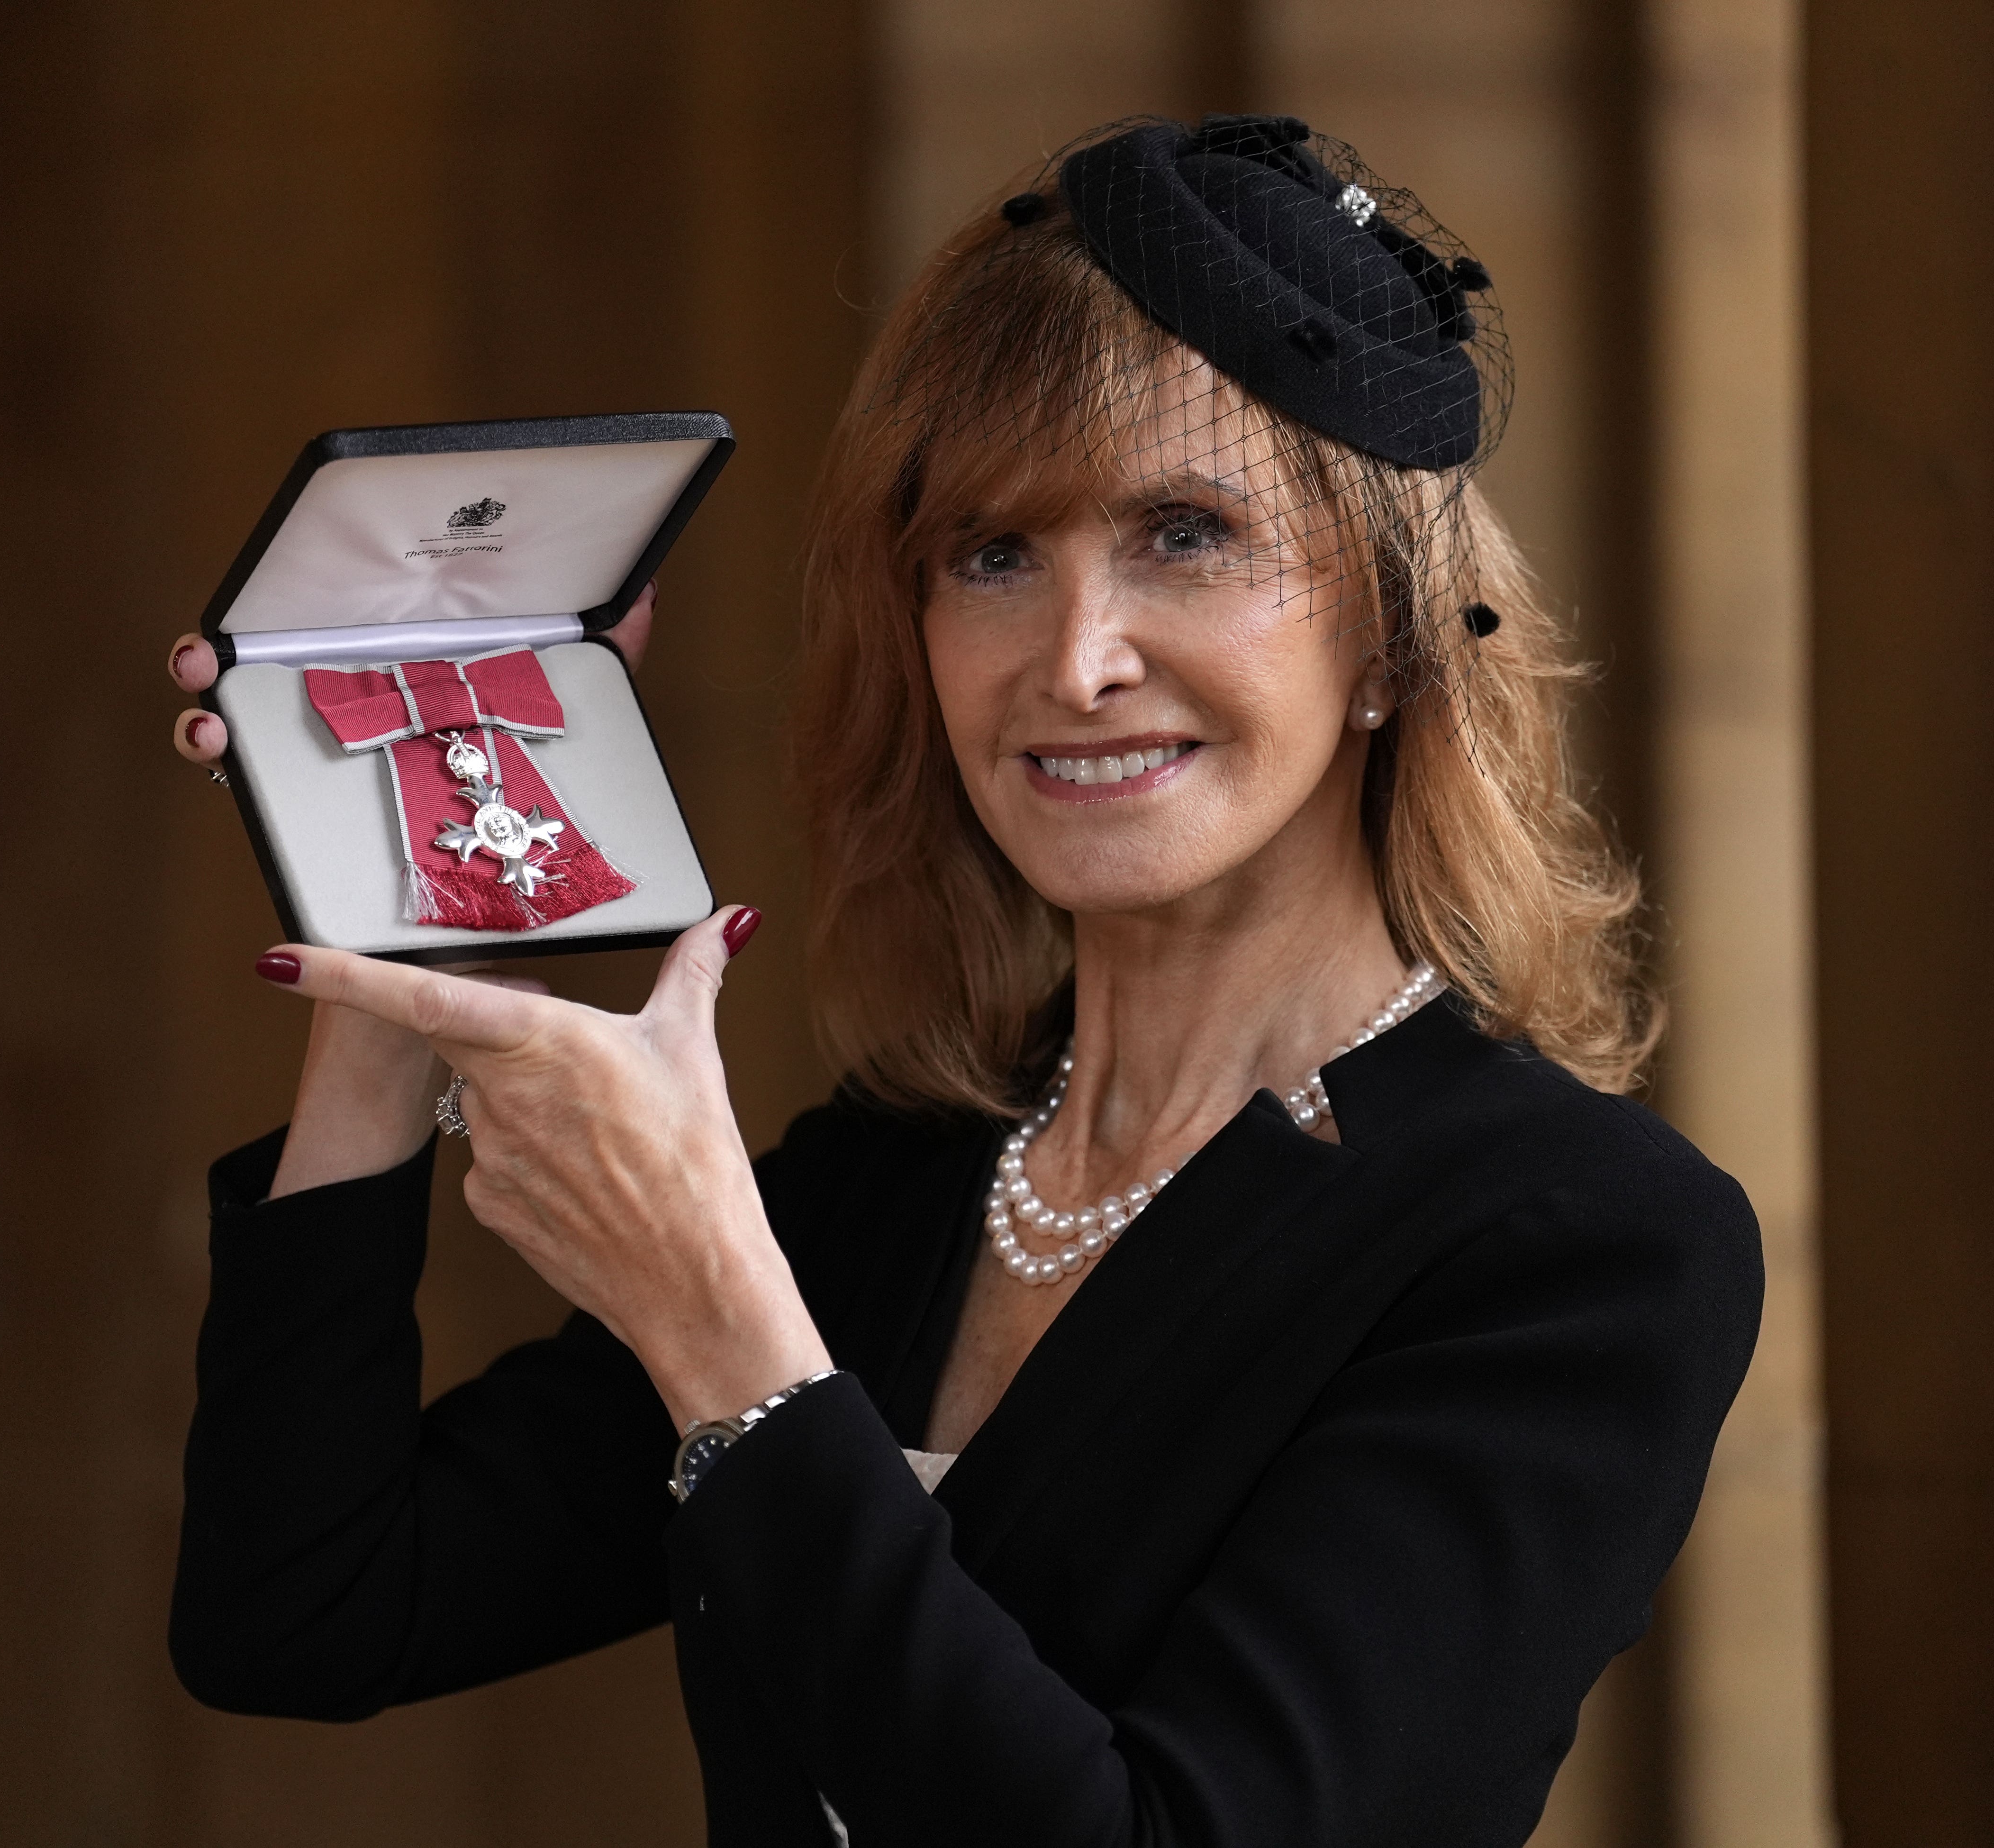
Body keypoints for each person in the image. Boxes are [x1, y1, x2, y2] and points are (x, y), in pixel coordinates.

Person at [163, 114, 1760, 1847]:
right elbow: (304, 1610)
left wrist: (720, 1332)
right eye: (994, 556)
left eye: (1186, 535)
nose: (1074, 662)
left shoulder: (1577, 1244)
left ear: (1385, 630)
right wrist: (394, 931)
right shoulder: (897, 1175)